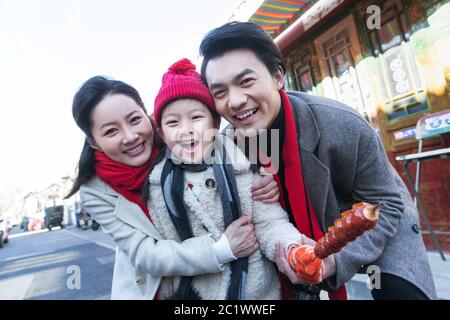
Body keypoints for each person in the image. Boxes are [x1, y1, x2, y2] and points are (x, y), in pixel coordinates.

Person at [198, 21, 437, 300]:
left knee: (400, 292)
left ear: (278, 76)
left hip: (369, 220)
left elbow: (385, 204)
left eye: (246, 81)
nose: (235, 101)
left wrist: (334, 261)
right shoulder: (228, 149)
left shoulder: (341, 125)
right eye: (220, 92)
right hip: (289, 239)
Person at [66, 76, 278, 299]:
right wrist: (221, 249)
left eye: (135, 119)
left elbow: (220, 143)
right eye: (111, 131)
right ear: (93, 142)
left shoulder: (174, 140)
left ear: (148, 116)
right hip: (157, 288)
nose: (130, 136)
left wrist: (260, 175)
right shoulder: (95, 190)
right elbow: (144, 253)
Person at [149, 58, 323, 299]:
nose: (186, 129)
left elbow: (269, 223)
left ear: (215, 121)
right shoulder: (158, 187)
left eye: (196, 118)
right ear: (160, 132)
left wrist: (292, 247)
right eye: (172, 122)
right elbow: (162, 252)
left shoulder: (241, 165)